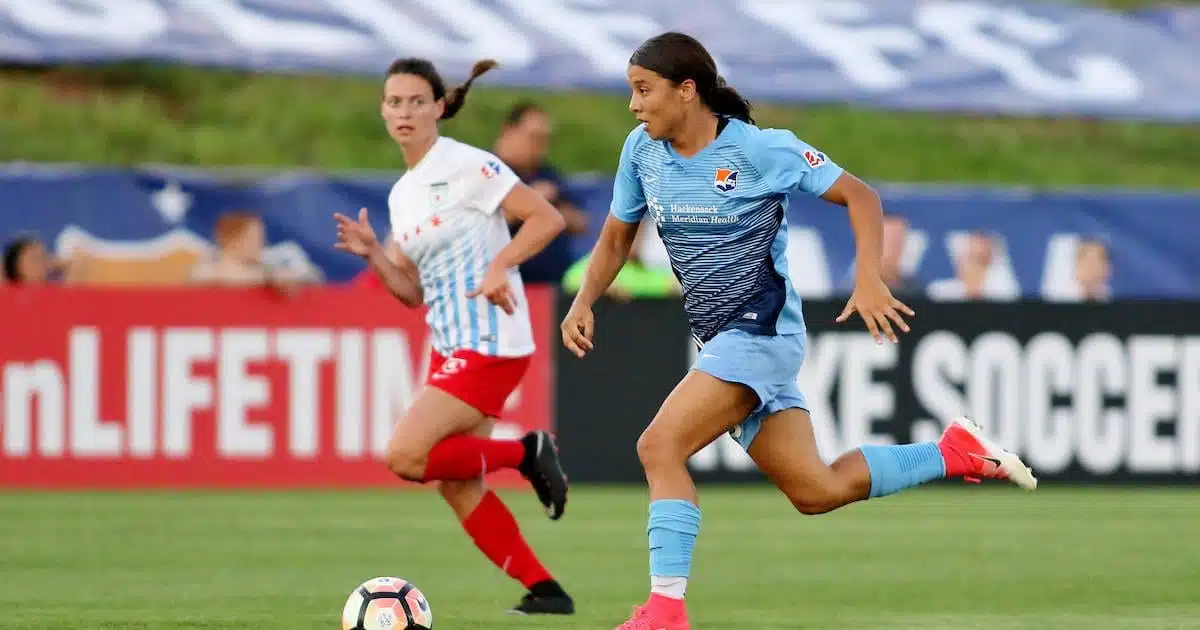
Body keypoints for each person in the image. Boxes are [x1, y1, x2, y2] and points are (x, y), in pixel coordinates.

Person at [558, 32, 1038, 630]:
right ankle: (953, 453)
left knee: (659, 446)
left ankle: (665, 612)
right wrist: (584, 301)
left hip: (760, 337)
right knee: (817, 490)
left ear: (686, 92)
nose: (633, 105)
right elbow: (614, 238)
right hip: (722, 343)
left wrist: (868, 280)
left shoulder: (761, 151)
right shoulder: (641, 151)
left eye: (642, 90)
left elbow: (860, 197)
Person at [333, 57, 575, 616]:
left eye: (417, 101)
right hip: (452, 344)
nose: (404, 112)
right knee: (456, 482)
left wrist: (501, 264)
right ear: (383, 111)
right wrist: (373, 253)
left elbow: (545, 219)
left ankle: (526, 452)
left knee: (407, 456)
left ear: (440, 107)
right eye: (394, 102)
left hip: (492, 339)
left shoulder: (469, 166)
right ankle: (546, 591)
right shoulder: (403, 194)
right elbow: (410, 291)